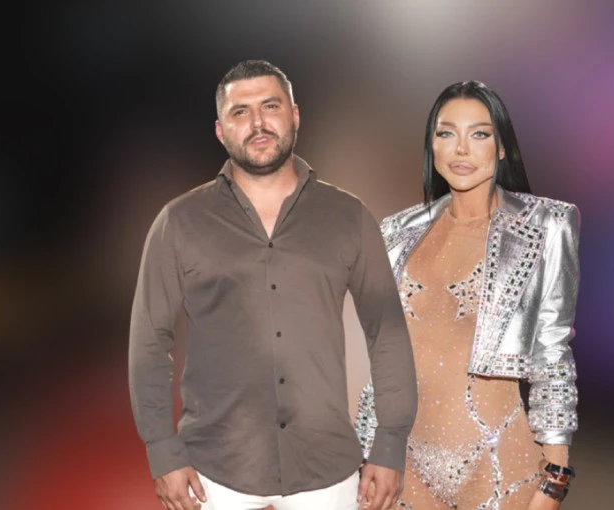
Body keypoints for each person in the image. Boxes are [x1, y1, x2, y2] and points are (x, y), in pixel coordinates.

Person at [129, 59, 418, 510]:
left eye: (270, 106)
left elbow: (388, 333)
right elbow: (150, 342)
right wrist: (162, 451)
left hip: (327, 470)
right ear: (220, 130)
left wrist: (390, 443)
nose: (257, 122)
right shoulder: (179, 222)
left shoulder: (349, 217)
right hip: (212, 473)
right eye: (240, 112)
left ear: (295, 115)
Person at [355, 81, 581, 509]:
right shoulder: (394, 233)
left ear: (502, 147)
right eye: (446, 133)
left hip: (499, 465)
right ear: (431, 145)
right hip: (404, 465)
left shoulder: (545, 225)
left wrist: (555, 477)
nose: (461, 149)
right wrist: (367, 451)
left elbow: (553, 353)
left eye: (479, 134)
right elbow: (382, 360)